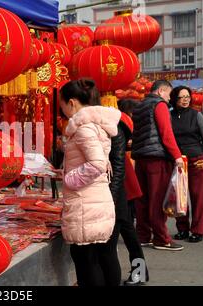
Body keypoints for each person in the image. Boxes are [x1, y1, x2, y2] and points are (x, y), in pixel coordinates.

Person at [59, 79, 121, 286]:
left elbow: (96, 164)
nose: (62, 109)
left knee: (86, 261)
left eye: (62, 104)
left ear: (72, 103)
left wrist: (69, 179)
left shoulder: (84, 128)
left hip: (86, 202)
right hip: (96, 199)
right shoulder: (97, 125)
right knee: (100, 258)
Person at [131, 80, 184, 251]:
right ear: (161, 91)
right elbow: (166, 134)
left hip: (140, 157)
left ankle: (143, 235)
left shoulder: (139, 106)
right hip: (157, 158)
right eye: (169, 94)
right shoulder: (159, 105)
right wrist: (177, 156)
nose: (169, 99)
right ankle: (161, 238)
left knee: (143, 200)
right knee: (157, 199)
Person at [110, 100, 148, 286]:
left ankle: (138, 274)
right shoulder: (119, 121)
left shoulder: (116, 123)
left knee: (123, 235)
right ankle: (140, 274)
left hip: (120, 187)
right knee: (129, 234)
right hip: (124, 185)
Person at [169, 86, 203, 243]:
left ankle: (198, 231)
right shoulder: (170, 116)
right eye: (181, 97)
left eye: (187, 96)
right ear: (174, 99)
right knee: (180, 197)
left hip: (197, 160)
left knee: (199, 197)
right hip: (179, 161)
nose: (185, 100)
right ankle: (183, 229)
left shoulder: (196, 115)